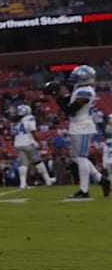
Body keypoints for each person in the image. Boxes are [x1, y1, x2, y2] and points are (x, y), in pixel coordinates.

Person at [44, 65, 109, 198]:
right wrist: (56, 93)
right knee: (75, 157)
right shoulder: (79, 89)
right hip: (77, 125)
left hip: (83, 126)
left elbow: (70, 109)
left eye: (77, 75)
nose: (74, 78)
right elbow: (66, 101)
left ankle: (84, 190)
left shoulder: (87, 92)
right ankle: (101, 179)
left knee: (81, 157)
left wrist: (56, 96)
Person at [11, 104, 53, 189]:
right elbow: (33, 131)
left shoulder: (14, 121)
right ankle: (47, 180)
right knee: (38, 161)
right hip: (28, 142)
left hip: (18, 143)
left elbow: (13, 133)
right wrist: (38, 141)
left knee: (23, 164)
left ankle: (23, 184)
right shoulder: (29, 118)